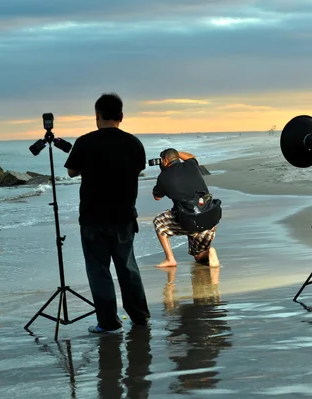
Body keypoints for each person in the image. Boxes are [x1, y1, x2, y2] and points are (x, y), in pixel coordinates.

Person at [64, 93, 150, 334]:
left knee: (98, 270)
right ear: (121, 116)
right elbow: (138, 168)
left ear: (97, 115)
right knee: (127, 267)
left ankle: (109, 322)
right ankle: (140, 316)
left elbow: (71, 171)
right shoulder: (134, 143)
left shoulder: (85, 142)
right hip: (124, 215)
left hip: (93, 217)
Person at [152, 148, 220, 268]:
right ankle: (208, 253)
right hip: (210, 216)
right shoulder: (191, 165)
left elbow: (157, 197)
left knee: (158, 222)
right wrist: (176, 154)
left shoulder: (163, 177)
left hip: (189, 220)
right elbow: (191, 156)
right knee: (198, 256)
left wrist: (163, 176)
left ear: (165, 160)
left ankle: (170, 259)